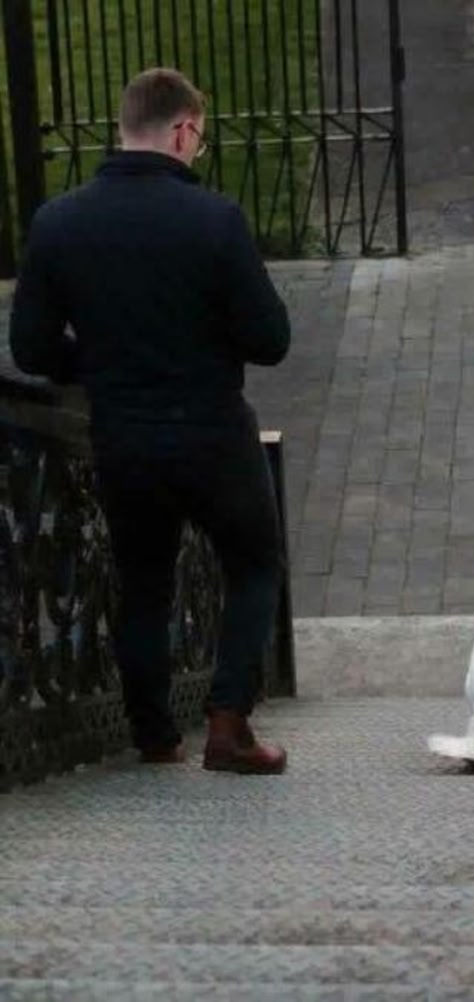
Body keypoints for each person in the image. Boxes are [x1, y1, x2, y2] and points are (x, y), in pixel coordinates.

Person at [10, 67, 291, 775]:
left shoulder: (59, 222)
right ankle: (228, 722)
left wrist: (100, 362)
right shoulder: (216, 220)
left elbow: (31, 348)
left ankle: (154, 733)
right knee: (254, 564)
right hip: (211, 431)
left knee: (143, 581)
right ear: (184, 130)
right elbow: (271, 340)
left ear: (124, 127)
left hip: (123, 435)